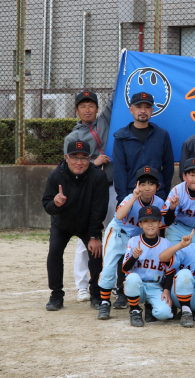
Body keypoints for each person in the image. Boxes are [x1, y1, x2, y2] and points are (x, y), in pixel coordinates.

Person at [42, 140, 109, 311]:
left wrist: (94, 235)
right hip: (62, 224)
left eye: (84, 158)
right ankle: (56, 295)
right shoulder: (56, 175)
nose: (79, 162)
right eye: (74, 157)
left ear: (90, 158)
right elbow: (47, 204)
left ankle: (96, 294)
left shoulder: (98, 177)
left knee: (95, 252)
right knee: (55, 252)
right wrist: (56, 204)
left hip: (88, 224)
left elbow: (99, 209)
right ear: (66, 157)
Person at [64, 90, 116, 302]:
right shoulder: (72, 137)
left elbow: (115, 99)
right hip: (87, 191)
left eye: (91, 105)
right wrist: (92, 162)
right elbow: (68, 168)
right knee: (85, 240)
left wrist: (124, 63)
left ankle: (110, 282)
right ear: (77, 110)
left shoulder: (105, 121)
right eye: (83, 106)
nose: (87, 109)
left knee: (114, 236)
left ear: (97, 108)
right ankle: (82, 286)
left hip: (112, 188)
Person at [97, 166, 165, 320]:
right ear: (137, 185)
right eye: (143, 184)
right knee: (108, 268)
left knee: (136, 268)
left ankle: (137, 301)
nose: (147, 188)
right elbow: (120, 216)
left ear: (158, 187)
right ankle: (104, 302)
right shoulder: (130, 197)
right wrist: (134, 197)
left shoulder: (159, 203)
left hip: (137, 239)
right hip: (117, 233)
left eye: (151, 184)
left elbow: (160, 227)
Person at [122, 206, 179, 327]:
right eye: (146, 221)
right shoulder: (133, 241)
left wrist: (166, 290)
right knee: (132, 278)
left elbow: (169, 271)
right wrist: (134, 257)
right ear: (140, 224)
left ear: (160, 223)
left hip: (155, 286)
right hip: (138, 286)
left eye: (154, 221)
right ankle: (134, 310)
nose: (150, 225)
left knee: (164, 314)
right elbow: (125, 268)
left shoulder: (166, 243)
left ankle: (150, 306)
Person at [113, 91, 174, 204]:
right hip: (131, 195)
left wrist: (164, 194)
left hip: (157, 195)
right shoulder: (121, 137)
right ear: (131, 110)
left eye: (147, 107)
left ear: (152, 110)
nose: (143, 111)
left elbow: (168, 167)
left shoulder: (162, 135)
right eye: (138, 107)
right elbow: (119, 171)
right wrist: (123, 199)